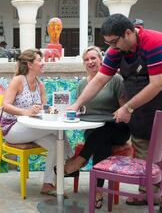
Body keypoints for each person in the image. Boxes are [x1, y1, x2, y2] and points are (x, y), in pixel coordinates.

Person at [68, 14, 162, 213]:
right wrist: (76, 104)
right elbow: (100, 80)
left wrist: (127, 107)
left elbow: (158, 84)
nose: (112, 48)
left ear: (128, 32)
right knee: (142, 143)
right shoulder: (117, 49)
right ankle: (147, 194)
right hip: (142, 101)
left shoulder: (156, 42)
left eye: (114, 42)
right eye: (108, 43)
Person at [1, 48, 73, 196]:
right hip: (13, 129)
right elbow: (5, 105)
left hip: (33, 128)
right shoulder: (18, 80)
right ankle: (72, 159)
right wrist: (25, 112)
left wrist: (53, 109)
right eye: (40, 60)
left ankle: (47, 184)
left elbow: (45, 109)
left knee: (55, 144)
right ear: (29, 64)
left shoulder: (40, 85)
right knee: (57, 128)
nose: (43, 63)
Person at [65, 46, 130, 209]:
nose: (90, 62)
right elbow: (80, 108)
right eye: (86, 60)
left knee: (105, 129)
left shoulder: (115, 80)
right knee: (102, 141)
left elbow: (124, 110)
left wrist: (110, 117)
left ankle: (80, 160)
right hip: (93, 131)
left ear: (102, 60)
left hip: (118, 128)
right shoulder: (82, 84)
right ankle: (98, 191)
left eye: (93, 58)